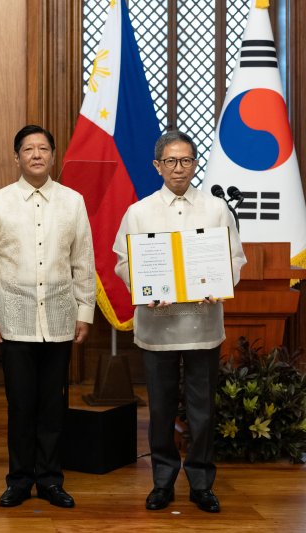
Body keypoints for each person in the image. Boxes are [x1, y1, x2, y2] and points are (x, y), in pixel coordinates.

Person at [113, 130, 246, 513]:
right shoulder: (139, 211)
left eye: (185, 160)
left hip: (203, 324)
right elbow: (124, 261)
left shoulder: (217, 209)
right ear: (157, 166)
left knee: (203, 408)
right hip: (157, 327)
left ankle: (202, 482)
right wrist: (142, 285)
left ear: (195, 164)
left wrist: (220, 283)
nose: (178, 168)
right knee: (160, 409)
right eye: (170, 161)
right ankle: (162, 481)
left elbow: (235, 259)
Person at [0, 125, 96, 509]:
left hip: (60, 317)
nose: (37, 155)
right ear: (17, 157)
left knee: (53, 406)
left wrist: (85, 310)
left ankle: (50, 480)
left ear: (53, 156)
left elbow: (83, 261)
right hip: (14, 319)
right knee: (21, 405)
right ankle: (19, 480)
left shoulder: (73, 202)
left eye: (44, 148)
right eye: (29, 149)